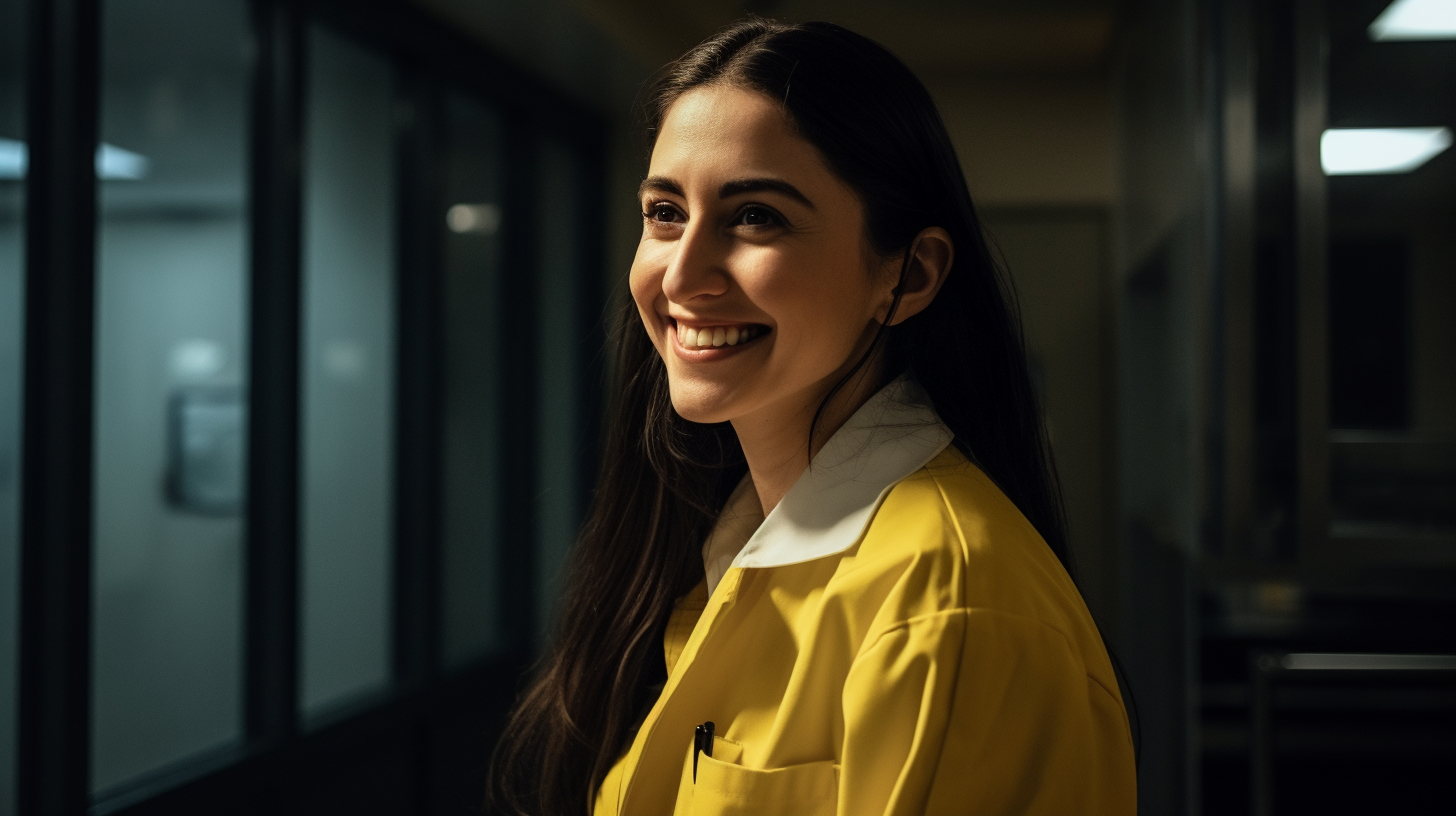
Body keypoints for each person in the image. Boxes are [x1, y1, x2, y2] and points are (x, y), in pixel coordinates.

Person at [487, 17, 1137, 816]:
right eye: (664, 213)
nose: (683, 275)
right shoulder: (726, 544)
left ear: (910, 274)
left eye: (755, 215)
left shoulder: (946, 605)